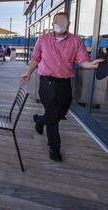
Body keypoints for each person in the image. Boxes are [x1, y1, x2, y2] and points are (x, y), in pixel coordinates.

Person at [21, 12, 104, 162]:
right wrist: (28, 72)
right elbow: (35, 59)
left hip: (65, 83)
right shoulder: (43, 39)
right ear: (52, 23)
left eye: (62, 22)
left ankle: (40, 120)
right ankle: (55, 148)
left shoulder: (76, 41)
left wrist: (90, 64)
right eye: (56, 22)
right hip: (47, 82)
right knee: (53, 114)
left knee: (60, 112)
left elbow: (82, 60)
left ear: (68, 24)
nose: (59, 25)